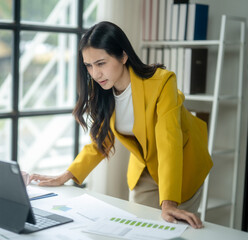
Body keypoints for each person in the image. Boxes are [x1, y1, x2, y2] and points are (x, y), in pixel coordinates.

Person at [29, 21, 213, 229]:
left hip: (182, 164)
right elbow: (100, 141)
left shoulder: (162, 83)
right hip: (145, 168)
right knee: (137, 229)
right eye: (88, 66)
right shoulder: (104, 91)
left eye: (101, 63)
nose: (95, 74)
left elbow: (169, 140)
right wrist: (64, 176)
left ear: (123, 56)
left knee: (174, 228)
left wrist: (169, 202)